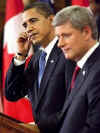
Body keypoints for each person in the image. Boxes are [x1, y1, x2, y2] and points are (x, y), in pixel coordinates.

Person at [4, 2, 75, 133]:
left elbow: (75, 105)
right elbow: (11, 93)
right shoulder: (35, 59)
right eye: (25, 25)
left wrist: (41, 127)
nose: (28, 28)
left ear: (52, 20)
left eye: (33, 21)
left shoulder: (68, 53)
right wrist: (20, 56)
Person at [52, 5, 100, 133]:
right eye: (58, 37)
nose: (60, 44)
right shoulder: (82, 67)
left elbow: (95, 127)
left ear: (86, 32)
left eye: (66, 35)